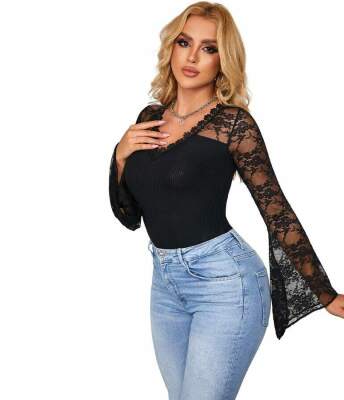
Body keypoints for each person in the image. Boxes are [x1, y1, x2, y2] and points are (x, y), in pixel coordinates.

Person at [108, 2, 343, 399]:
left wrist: (324, 292)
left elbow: (275, 209)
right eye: (185, 43)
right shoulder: (149, 118)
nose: (192, 57)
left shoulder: (233, 124)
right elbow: (129, 215)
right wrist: (119, 156)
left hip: (225, 284)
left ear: (223, 60)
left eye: (209, 48)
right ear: (171, 47)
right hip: (165, 284)